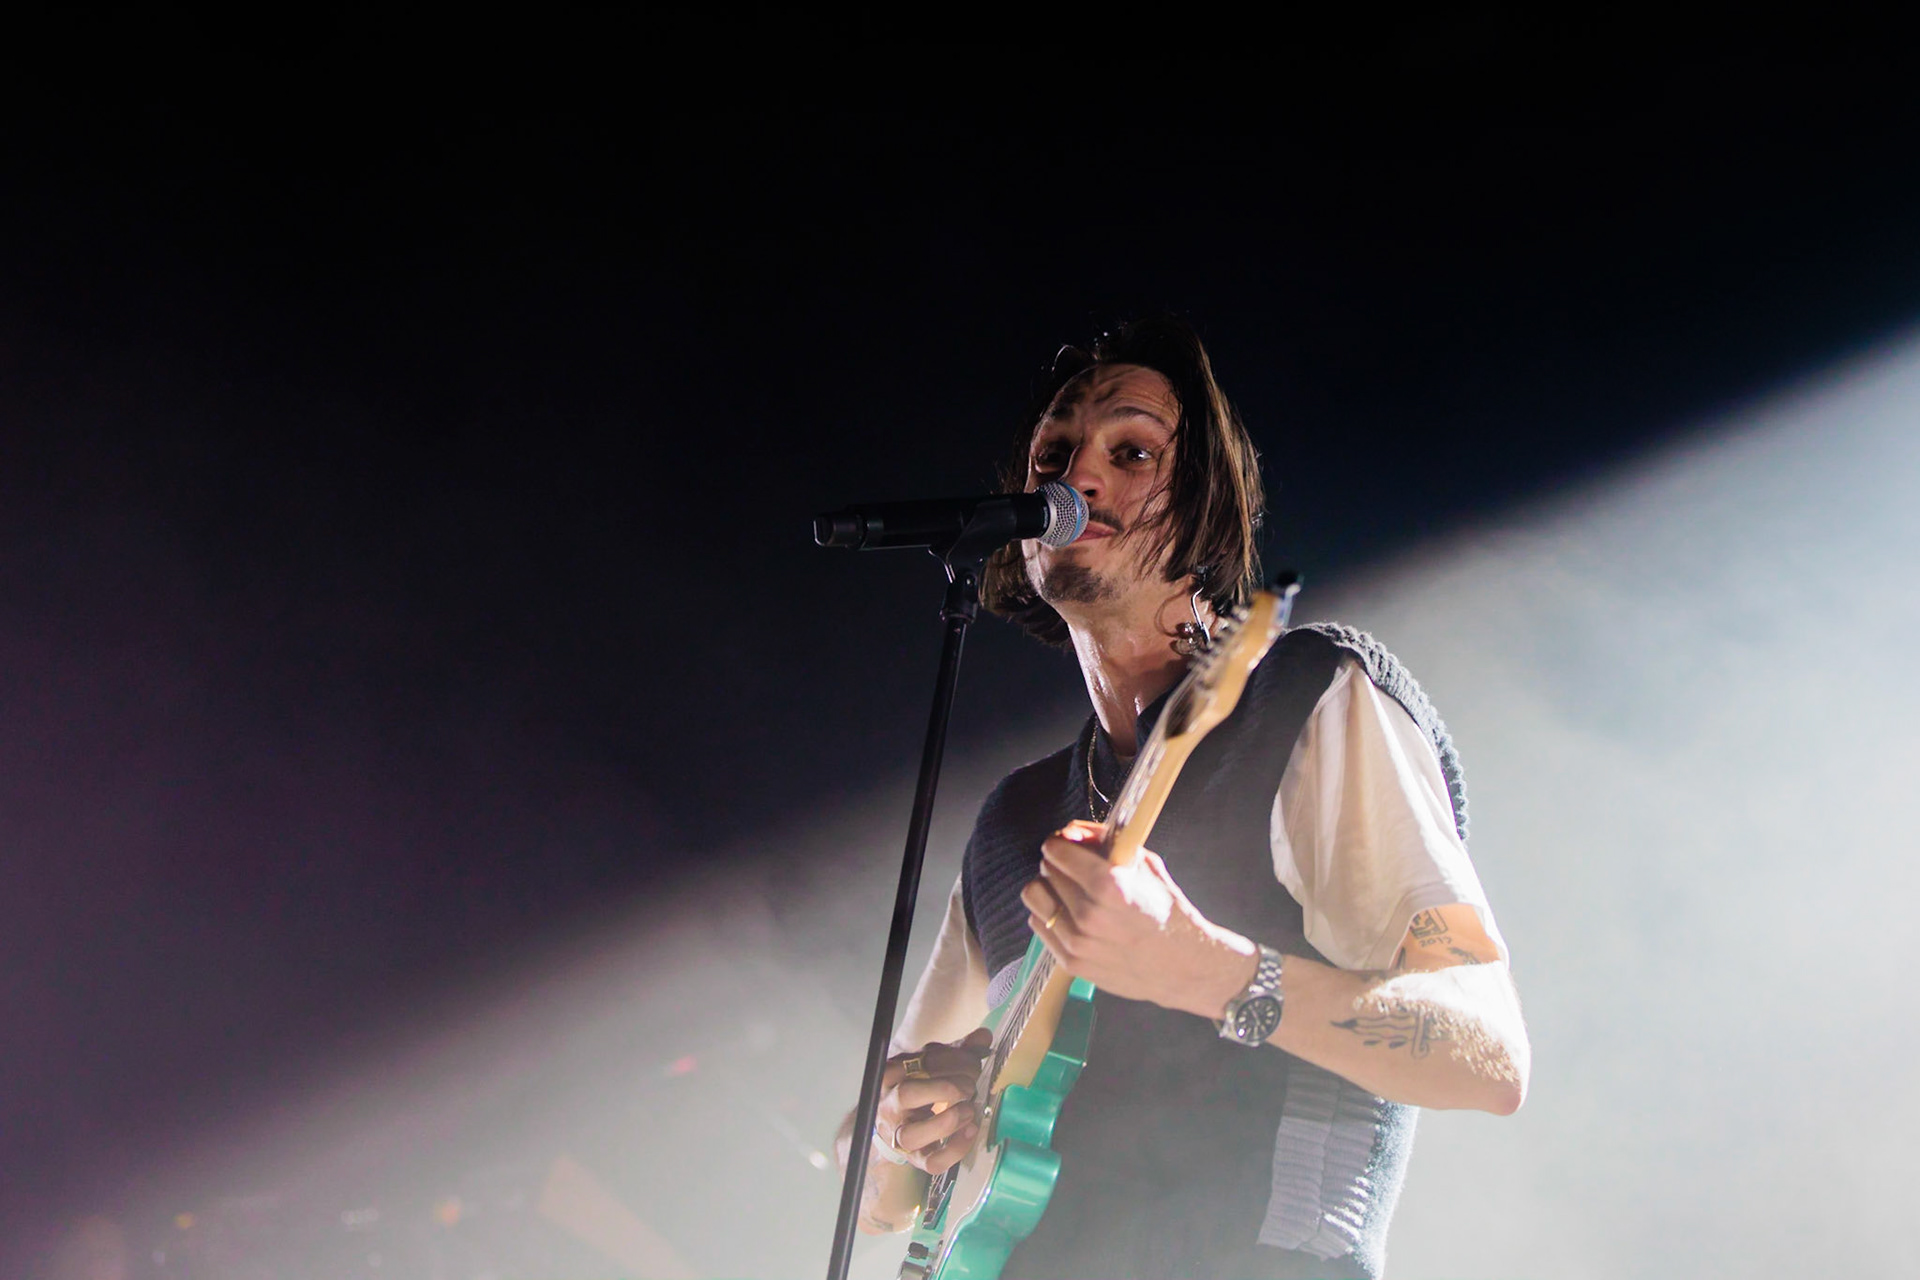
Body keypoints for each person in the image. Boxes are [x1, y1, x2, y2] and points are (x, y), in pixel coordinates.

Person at [844, 316, 1529, 1279]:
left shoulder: (1303, 695)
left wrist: (1203, 969)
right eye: (1054, 453)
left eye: (1132, 452)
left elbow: (1489, 1056)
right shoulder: (1012, 822)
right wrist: (916, 1116)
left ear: (1207, 506)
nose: (1076, 477)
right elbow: (869, 1190)